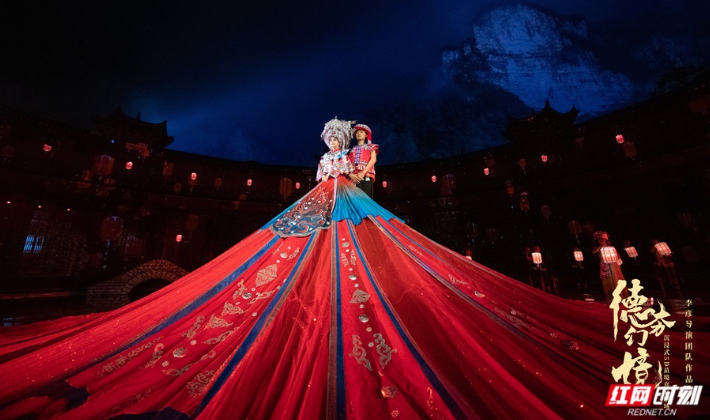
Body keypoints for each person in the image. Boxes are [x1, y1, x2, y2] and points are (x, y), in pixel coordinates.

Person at [0, 119, 708, 419]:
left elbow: (363, 178)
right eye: (337, 137)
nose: (337, 141)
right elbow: (335, 180)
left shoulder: (354, 157)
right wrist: (340, 172)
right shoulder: (333, 160)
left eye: (340, 136)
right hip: (324, 217)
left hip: (349, 218)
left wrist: (353, 164)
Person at [592, 231, 625, 302]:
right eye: (599, 239)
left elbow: (617, 256)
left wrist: (618, 265)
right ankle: (610, 296)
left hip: (613, 264)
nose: (600, 241)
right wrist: (599, 247)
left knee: (615, 278)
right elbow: (593, 252)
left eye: (602, 239)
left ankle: (619, 295)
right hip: (604, 264)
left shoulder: (611, 247)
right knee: (607, 279)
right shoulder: (598, 248)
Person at [348, 123, 378, 198]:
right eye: (357, 133)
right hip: (354, 177)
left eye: (361, 132)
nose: (359, 134)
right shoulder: (351, 150)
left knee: (366, 198)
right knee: (355, 199)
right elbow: (347, 164)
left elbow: (373, 159)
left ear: (366, 135)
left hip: (366, 175)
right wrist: (351, 175)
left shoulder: (371, 147)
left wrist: (363, 172)